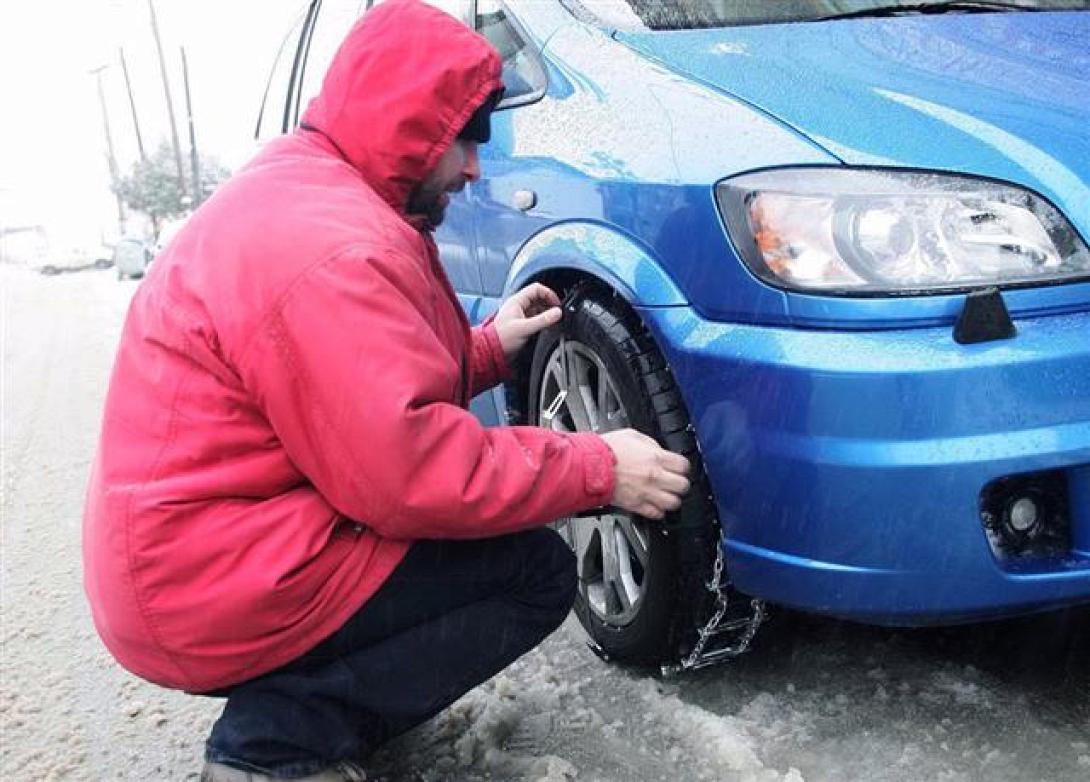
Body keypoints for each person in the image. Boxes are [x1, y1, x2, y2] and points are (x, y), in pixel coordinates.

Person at [82, 1, 691, 779]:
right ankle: (276, 746)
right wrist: (597, 467)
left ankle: (319, 701)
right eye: (463, 138)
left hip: (205, 556)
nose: (475, 166)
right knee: (530, 574)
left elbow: (353, 390)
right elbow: (410, 476)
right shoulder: (332, 247)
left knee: (463, 548)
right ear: (410, 127)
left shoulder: (315, 193)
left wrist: (486, 348)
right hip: (211, 580)